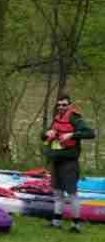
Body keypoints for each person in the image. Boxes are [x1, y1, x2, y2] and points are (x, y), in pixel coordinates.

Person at [42, 94, 95, 232]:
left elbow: (90, 133)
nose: (61, 107)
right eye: (59, 105)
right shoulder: (56, 118)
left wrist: (72, 135)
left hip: (69, 163)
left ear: (69, 105)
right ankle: (56, 222)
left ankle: (76, 225)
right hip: (56, 161)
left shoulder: (74, 118)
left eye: (64, 105)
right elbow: (43, 135)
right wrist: (47, 133)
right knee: (57, 193)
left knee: (72, 193)